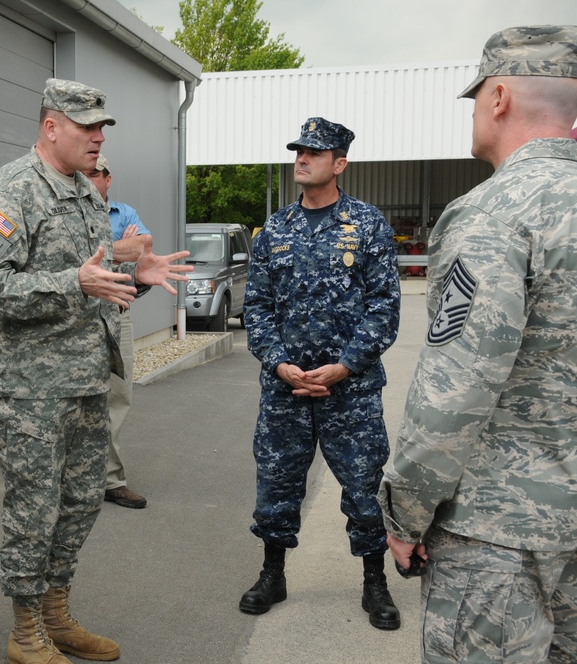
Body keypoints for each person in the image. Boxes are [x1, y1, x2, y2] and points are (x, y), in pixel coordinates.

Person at [0, 78, 192, 664]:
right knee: (33, 508)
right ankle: (25, 631)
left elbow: (96, 281)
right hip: (30, 388)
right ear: (51, 127)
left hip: (86, 377)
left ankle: (55, 611)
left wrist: (135, 277)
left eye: (101, 127)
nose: (98, 137)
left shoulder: (88, 195)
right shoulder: (12, 191)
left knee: (83, 499)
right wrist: (75, 282)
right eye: (87, 126)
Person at [379, 25, 577, 662]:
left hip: (500, 536)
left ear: (498, 98)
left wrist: (406, 512)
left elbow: (453, 394)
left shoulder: (495, 213)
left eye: (475, 98)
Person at [240, 117, 402, 630]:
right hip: (285, 390)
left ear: (340, 163)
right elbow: (257, 306)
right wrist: (279, 363)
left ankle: (374, 584)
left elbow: (384, 307)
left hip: (350, 390)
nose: (302, 159)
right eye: (299, 151)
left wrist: (345, 366)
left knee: (363, 486)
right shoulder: (276, 229)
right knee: (276, 484)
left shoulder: (367, 224)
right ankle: (273, 575)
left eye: (314, 152)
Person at [84, 154, 151, 510]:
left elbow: (144, 248)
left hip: (117, 316)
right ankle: (74, 479)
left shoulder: (123, 212)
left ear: (108, 179)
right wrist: (119, 250)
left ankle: (111, 480)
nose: (88, 179)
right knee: (75, 399)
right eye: (83, 174)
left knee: (118, 396)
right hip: (77, 317)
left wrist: (110, 252)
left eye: (95, 174)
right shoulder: (69, 212)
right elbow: (73, 261)